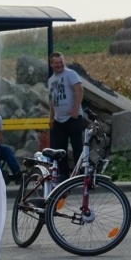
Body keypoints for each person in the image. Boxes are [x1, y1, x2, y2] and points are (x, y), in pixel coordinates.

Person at [48, 52, 85, 181]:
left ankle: (80, 173)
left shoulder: (70, 74)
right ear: (51, 63)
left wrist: (75, 110)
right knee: (60, 149)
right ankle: (64, 174)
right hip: (59, 119)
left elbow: (79, 90)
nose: (59, 65)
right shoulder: (51, 80)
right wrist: (51, 117)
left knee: (77, 146)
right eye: (56, 63)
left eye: (61, 62)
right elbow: (52, 99)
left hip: (73, 118)